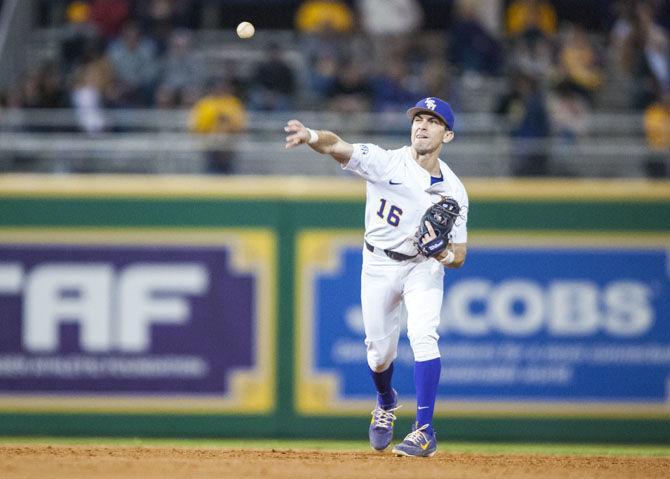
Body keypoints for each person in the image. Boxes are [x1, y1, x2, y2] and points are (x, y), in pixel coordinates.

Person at [284, 97, 469, 457]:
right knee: (379, 355)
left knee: (424, 336)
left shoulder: (455, 190)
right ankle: (386, 402)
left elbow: (459, 255)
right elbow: (337, 146)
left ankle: (424, 430)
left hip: (422, 267)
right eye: (419, 118)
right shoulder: (386, 161)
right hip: (379, 265)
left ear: (447, 135)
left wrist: (441, 254)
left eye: (432, 121)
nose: (422, 125)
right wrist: (309, 135)